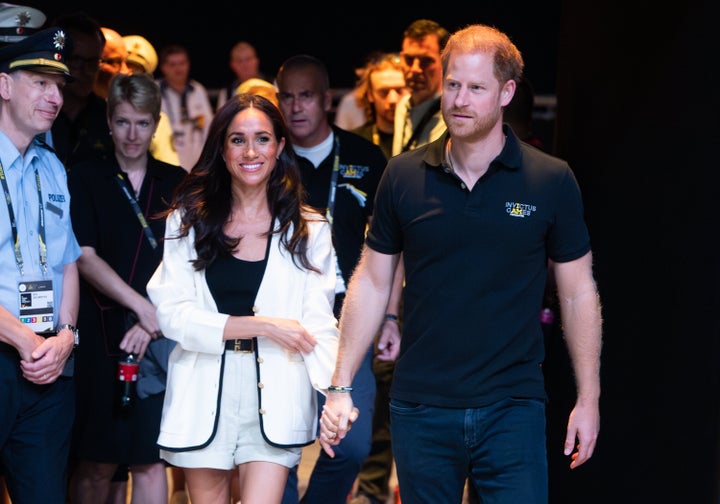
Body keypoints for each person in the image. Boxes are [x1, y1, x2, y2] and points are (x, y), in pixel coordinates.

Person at [319, 23, 603, 504]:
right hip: (421, 406)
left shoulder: (550, 179)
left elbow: (577, 292)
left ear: (506, 92)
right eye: (452, 84)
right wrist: (340, 385)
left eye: (476, 87)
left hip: (512, 406)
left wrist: (588, 398)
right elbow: (370, 280)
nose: (459, 100)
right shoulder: (403, 175)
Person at [145, 92, 340, 504]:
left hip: (277, 390)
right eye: (237, 139)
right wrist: (263, 325)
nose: (251, 151)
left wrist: (337, 392)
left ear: (281, 146)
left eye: (263, 139)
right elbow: (173, 316)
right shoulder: (188, 219)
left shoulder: (309, 228)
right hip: (202, 390)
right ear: (221, 147)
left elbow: (318, 321)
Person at [66, 72, 186, 504]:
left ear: (156, 124)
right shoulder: (85, 177)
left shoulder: (177, 181)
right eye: (122, 122)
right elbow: (84, 256)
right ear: (109, 122)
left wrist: (153, 320)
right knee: (96, 461)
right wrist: (141, 307)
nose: (131, 135)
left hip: (159, 335)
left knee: (149, 459)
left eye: (141, 123)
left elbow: (187, 264)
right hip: (101, 330)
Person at [275, 54, 388, 504]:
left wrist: (392, 316)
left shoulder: (363, 155)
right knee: (277, 441)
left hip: (346, 319)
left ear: (326, 100)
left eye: (306, 96)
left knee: (352, 442)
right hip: (279, 319)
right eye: (286, 96)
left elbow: (390, 247)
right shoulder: (267, 153)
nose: (296, 106)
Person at [0, 27, 81, 504]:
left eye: (59, 85)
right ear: (4, 85)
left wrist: (66, 336)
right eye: (40, 82)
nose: (55, 97)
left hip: (49, 367)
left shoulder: (52, 166)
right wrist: (25, 339)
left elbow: (68, 262)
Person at [345, 51, 407, 504]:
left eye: (398, 89)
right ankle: (370, 490)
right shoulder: (359, 148)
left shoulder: (423, 142)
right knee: (374, 386)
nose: (391, 98)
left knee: (396, 391)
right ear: (369, 96)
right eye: (383, 90)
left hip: (413, 283)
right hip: (367, 281)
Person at [48, 11, 111, 168]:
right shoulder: (29, 111)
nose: (86, 71)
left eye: (93, 62)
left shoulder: (111, 118)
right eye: (76, 60)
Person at [391, 19, 449, 156]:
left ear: (445, 62)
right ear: (401, 58)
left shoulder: (453, 113)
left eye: (426, 61)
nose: (415, 69)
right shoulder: (403, 106)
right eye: (409, 60)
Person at [123, 33, 181, 166]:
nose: (128, 77)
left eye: (136, 74)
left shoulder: (157, 120)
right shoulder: (92, 110)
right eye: (124, 69)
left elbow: (169, 168)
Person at [156, 43, 214, 170]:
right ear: (163, 67)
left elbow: (209, 128)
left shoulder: (197, 90)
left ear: (188, 65)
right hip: (165, 161)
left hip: (197, 162)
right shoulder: (155, 90)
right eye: (172, 64)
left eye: (182, 63)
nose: (178, 68)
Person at [350, 51, 408, 159]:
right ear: (370, 95)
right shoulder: (353, 142)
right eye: (384, 92)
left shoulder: (425, 137)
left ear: (410, 91)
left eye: (399, 91)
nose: (392, 100)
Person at [215, 40, 267, 111]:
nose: (245, 65)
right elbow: (221, 121)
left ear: (256, 61)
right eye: (239, 61)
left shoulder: (273, 85)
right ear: (232, 65)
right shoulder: (227, 93)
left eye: (248, 59)